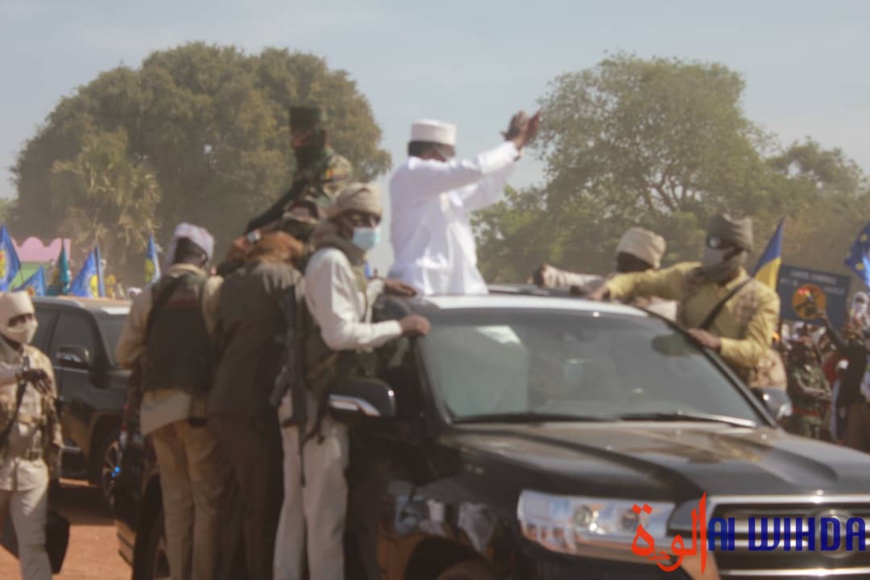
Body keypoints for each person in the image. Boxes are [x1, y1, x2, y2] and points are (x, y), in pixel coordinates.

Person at [274, 183, 429, 580]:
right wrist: (401, 326)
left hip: (312, 402)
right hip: (316, 408)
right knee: (324, 520)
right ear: (342, 222)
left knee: (299, 513)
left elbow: (349, 304)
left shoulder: (343, 264)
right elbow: (339, 334)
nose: (371, 228)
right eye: (362, 220)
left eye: (376, 220)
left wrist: (379, 286)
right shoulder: (330, 262)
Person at [115, 223, 225, 580]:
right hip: (197, 412)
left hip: (156, 414)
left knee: (176, 506)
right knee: (206, 503)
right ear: (205, 258)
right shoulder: (212, 289)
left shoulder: (150, 293)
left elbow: (124, 354)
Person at [210, 232, 305, 580]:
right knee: (262, 506)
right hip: (256, 405)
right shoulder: (287, 279)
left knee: (234, 503)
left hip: (224, 401)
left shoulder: (231, 282)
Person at [588, 214, 780, 384]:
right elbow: (639, 281)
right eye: (709, 241)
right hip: (682, 379)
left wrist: (717, 344)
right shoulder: (688, 276)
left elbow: (755, 351)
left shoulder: (763, 298)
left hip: (728, 388)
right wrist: (607, 290)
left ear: (737, 253)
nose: (710, 250)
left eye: (717, 245)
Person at [388, 111, 540, 295]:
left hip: (459, 285)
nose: (448, 160)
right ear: (429, 151)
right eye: (447, 153)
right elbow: (474, 168)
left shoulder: (442, 188)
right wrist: (513, 143)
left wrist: (513, 153)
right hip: (421, 285)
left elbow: (486, 193)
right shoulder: (411, 172)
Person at [221, 105, 353, 274]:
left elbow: (305, 216)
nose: (295, 144)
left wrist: (253, 238)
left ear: (321, 136)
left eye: (303, 136)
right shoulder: (306, 171)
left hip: (321, 253)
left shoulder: (337, 167)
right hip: (295, 250)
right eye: (294, 136)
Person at [0, 291, 62, 580]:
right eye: (18, 318)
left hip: (31, 468)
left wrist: (55, 466)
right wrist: (21, 374)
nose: (26, 323)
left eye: (29, 317)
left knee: (34, 546)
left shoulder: (42, 361)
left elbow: (51, 418)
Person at [535, 227, 678, 320]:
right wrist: (547, 275)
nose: (622, 266)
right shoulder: (606, 286)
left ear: (649, 268)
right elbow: (571, 280)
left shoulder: (666, 305)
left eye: (629, 262)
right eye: (620, 260)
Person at [820, 312, 870, 452]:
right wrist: (827, 323)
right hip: (856, 405)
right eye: (867, 337)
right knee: (854, 444)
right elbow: (839, 341)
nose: (868, 341)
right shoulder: (857, 352)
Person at [784, 336, 830, 439]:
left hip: (816, 418)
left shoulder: (817, 370)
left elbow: (828, 394)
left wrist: (817, 393)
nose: (807, 354)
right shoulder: (793, 368)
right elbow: (802, 389)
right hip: (799, 418)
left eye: (810, 351)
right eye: (804, 350)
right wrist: (820, 392)